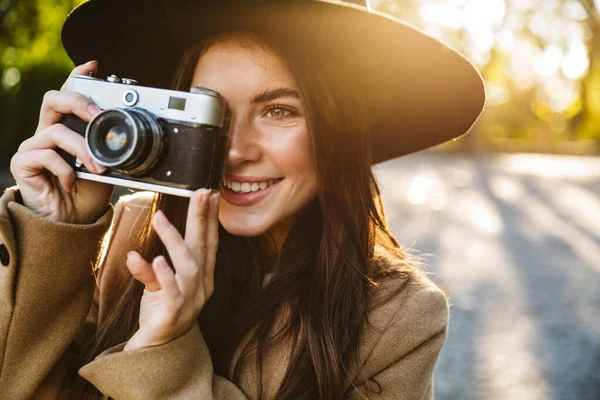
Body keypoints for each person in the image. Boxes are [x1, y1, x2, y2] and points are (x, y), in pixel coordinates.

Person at [0, 0, 485, 399]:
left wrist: (165, 356)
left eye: (278, 110)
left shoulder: (399, 318)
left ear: (338, 129)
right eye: (207, 110)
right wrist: (55, 232)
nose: (233, 151)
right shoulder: (127, 235)